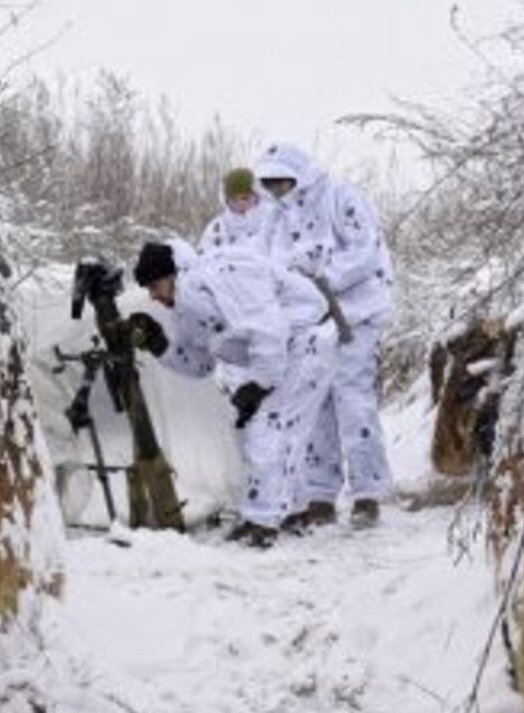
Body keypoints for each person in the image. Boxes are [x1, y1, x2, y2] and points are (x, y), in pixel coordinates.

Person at [125, 240, 338, 548]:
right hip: (283, 352)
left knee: (266, 427)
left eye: (155, 286)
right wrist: (160, 344)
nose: (154, 297)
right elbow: (199, 364)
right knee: (265, 428)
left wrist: (259, 385)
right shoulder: (187, 305)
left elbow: (269, 329)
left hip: (306, 341)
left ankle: (262, 523)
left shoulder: (225, 274)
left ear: (173, 275)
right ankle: (290, 511)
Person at [252, 142, 394, 529]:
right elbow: (266, 261)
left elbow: (365, 249)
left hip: (354, 315)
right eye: (271, 184)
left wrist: (323, 275)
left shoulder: (340, 197)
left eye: (282, 181)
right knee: (316, 405)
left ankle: (367, 493)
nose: (278, 190)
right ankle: (320, 494)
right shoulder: (275, 217)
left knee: (353, 400)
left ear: (296, 174)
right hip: (309, 321)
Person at [200, 166, 274, 256]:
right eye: (233, 200)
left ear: (256, 196)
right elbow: (204, 261)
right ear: (226, 201)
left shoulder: (270, 220)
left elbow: (282, 255)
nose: (238, 204)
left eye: (244, 198)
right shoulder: (218, 228)